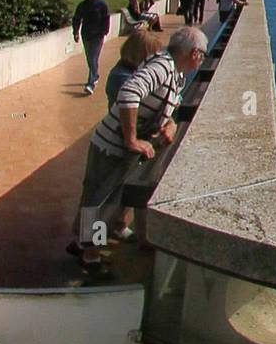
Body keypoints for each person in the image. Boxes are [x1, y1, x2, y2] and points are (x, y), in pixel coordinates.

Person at [73, 25, 201, 274]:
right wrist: (132, 140)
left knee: (96, 200)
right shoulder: (142, 73)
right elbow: (129, 96)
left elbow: (167, 106)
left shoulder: (163, 73)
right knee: (99, 204)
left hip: (112, 147)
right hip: (111, 148)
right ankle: (90, 257)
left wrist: (170, 123)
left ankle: (83, 244)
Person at [67, 0, 112, 95]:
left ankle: (90, 84)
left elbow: (106, 18)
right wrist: (75, 32)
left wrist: (105, 31)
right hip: (86, 35)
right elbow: (77, 19)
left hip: (98, 36)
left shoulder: (102, 5)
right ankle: (95, 75)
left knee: (93, 58)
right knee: (90, 58)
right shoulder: (82, 5)